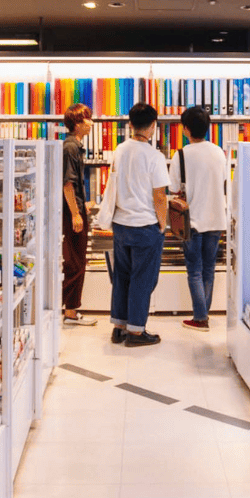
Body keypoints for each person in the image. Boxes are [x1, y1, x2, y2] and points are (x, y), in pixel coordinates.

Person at [109, 102, 169, 347]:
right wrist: (163, 224)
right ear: (153, 126)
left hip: (121, 224)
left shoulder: (119, 150)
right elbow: (160, 195)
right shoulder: (154, 156)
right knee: (143, 278)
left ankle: (119, 326)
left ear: (130, 124)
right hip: (145, 225)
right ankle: (136, 332)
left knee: (122, 276)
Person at [169, 106, 227, 332]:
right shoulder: (219, 152)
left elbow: (174, 187)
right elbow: (221, 180)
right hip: (216, 218)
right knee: (209, 268)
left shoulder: (181, 155)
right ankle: (203, 315)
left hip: (191, 220)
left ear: (185, 129)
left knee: (194, 269)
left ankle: (200, 317)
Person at [61, 103, 97, 326]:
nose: (91, 123)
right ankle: (70, 312)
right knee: (75, 261)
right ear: (77, 123)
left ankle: (70, 310)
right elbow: (67, 184)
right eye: (87, 119)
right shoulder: (70, 148)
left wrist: (84, 206)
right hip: (70, 213)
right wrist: (76, 213)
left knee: (77, 260)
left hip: (76, 209)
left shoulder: (74, 146)